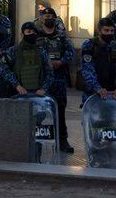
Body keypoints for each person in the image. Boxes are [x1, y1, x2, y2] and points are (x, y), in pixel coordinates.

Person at [37, 8, 75, 153]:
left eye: (51, 16)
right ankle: (36, 140)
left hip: (58, 78)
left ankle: (63, 140)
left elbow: (70, 52)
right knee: (38, 111)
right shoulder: (36, 36)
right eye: (46, 16)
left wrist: (61, 62)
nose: (48, 18)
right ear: (41, 19)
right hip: (41, 79)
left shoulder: (62, 37)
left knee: (60, 110)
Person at [80, 18, 116, 103]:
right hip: (93, 94)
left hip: (113, 94)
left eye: (112, 30)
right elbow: (87, 69)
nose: (109, 33)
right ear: (99, 31)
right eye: (106, 30)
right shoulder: (89, 45)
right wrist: (98, 88)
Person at [0, 22, 53, 97]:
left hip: (38, 94)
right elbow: (3, 69)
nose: (32, 34)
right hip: (18, 94)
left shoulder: (41, 51)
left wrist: (43, 89)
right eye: (29, 32)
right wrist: (17, 85)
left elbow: (50, 73)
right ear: (22, 34)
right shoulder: (13, 51)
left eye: (34, 32)